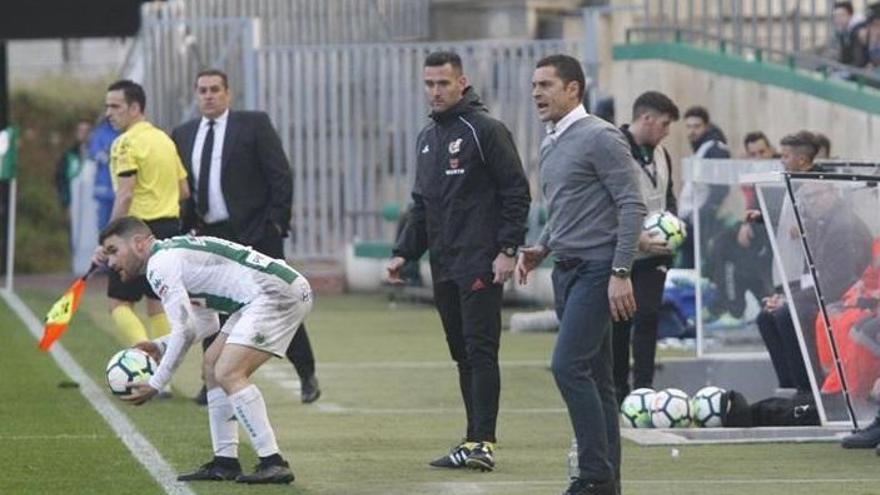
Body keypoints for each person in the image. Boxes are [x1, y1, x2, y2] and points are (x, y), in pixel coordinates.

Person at [386, 51, 530, 472]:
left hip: (481, 261)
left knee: (481, 351)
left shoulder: (485, 129)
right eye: (429, 84)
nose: (435, 91)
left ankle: (483, 442)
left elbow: (516, 193)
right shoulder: (427, 137)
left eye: (443, 83)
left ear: (462, 82)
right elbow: (421, 206)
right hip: (443, 264)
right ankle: (471, 439)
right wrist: (403, 253)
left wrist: (507, 250)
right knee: (462, 354)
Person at [98, 216, 310, 484]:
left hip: (275, 293)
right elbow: (205, 322)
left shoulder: (160, 265)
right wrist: (161, 345)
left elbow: (185, 330)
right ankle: (225, 461)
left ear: (139, 243)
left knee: (228, 371)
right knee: (212, 364)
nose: (111, 262)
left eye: (113, 251)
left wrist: (157, 382)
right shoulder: (171, 256)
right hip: (262, 295)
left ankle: (273, 461)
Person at [518, 54, 646, 495]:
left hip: (597, 270)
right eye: (534, 85)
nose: (536, 92)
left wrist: (621, 271)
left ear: (574, 89)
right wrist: (544, 246)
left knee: (567, 366)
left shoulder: (601, 137)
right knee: (598, 378)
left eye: (546, 85)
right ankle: (608, 484)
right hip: (565, 270)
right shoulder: (552, 139)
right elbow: (568, 206)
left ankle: (592, 476)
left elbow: (631, 204)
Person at [171, 69, 321, 405]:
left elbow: (280, 174)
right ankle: (210, 381)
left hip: (255, 232)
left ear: (228, 94)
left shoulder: (253, 124)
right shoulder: (183, 133)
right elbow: (182, 186)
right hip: (211, 235)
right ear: (196, 96)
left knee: (279, 301)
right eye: (202, 90)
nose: (208, 96)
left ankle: (306, 373)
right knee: (216, 309)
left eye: (214, 89)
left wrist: (276, 224)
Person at [756, 132, 872, 395]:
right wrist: (788, 295)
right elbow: (814, 273)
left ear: (831, 191)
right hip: (824, 291)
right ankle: (790, 385)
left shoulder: (843, 226)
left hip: (847, 296)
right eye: (807, 199)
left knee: (790, 313)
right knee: (767, 316)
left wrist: (793, 300)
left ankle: (810, 391)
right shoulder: (820, 222)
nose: (810, 203)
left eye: (816, 197)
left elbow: (840, 281)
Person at [96, 80, 189, 347]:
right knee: (156, 302)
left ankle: (146, 355)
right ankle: (164, 376)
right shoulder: (164, 139)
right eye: (107, 107)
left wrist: (108, 240)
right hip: (169, 230)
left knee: (118, 303)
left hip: (135, 233)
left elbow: (125, 194)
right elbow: (183, 190)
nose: (108, 113)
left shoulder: (125, 143)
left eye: (115, 106)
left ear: (135, 107)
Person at [611, 91, 679, 402]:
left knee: (649, 315)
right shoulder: (614, 148)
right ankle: (616, 390)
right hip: (623, 251)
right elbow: (604, 200)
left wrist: (674, 228)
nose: (666, 132)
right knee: (620, 323)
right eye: (664, 124)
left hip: (657, 254)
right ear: (646, 118)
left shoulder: (663, 154)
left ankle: (644, 390)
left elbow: (668, 195)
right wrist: (635, 237)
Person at [677, 106, 731, 270]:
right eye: (689, 127)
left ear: (707, 126)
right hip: (692, 219)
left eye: (697, 126)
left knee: (694, 266)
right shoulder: (701, 150)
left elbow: (721, 187)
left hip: (699, 222)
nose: (692, 131)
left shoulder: (714, 149)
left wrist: (702, 214)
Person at [54, 119, 92, 214]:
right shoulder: (69, 155)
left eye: (87, 131)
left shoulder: (97, 155)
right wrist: (66, 202)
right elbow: (61, 178)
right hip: (73, 201)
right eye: (81, 131)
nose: (84, 134)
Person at [88, 117, 119, 232]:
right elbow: (94, 153)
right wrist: (107, 156)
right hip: (104, 185)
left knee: (119, 223)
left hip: (119, 186)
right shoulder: (100, 133)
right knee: (104, 223)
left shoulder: (122, 132)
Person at [831, 1, 868, 67]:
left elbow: (859, 60)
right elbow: (844, 57)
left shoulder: (859, 30)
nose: (838, 19)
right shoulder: (843, 31)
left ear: (850, 15)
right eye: (835, 16)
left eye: (842, 15)